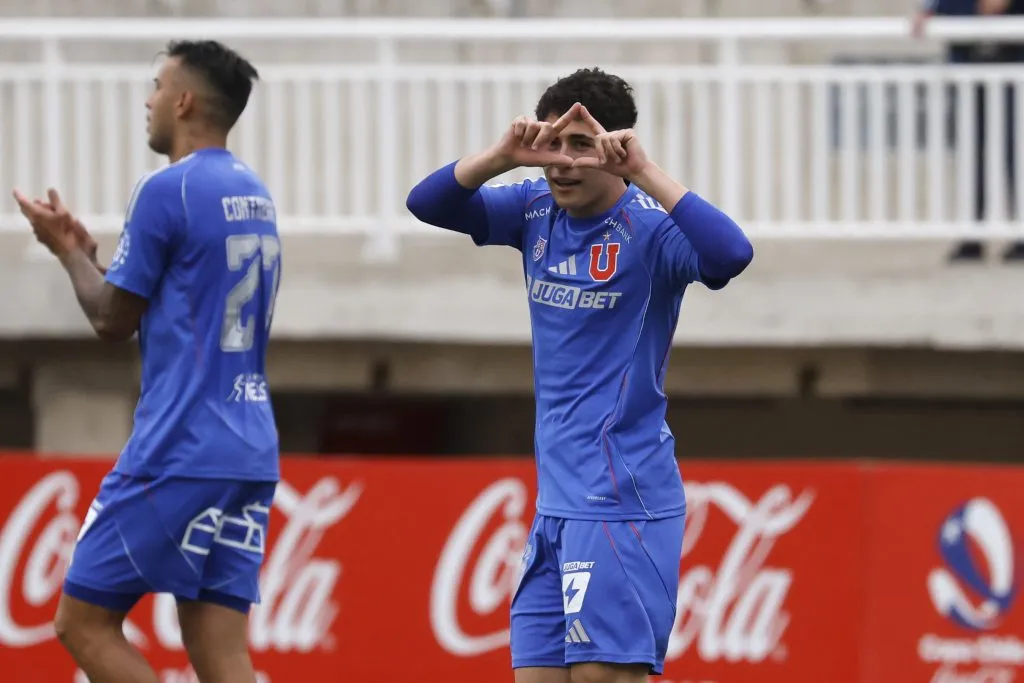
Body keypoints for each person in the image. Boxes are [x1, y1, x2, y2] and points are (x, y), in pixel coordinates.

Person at [406, 68, 753, 683]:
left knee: (604, 677)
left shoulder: (651, 231)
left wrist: (642, 171)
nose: (561, 164)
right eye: (552, 146)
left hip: (622, 500)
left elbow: (730, 254)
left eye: (580, 147)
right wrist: (501, 157)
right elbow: (427, 204)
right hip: (556, 508)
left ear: (616, 149)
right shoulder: (534, 211)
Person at [13, 40, 280, 683]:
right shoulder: (254, 191)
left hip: (178, 446)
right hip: (248, 447)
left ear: (184, 99)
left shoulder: (169, 188)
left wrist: (67, 253)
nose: (149, 99)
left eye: (158, 85)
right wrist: (91, 258)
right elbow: (173, 303)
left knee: (82, 623)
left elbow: (111, 318)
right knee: (221, 652)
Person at [913, 0, 1024, 262]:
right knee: (971, 151)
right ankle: (972, 235)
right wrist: (927, 11)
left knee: (1015, 151)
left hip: (1013, 64)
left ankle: (1020, 234)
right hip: (968, 65)